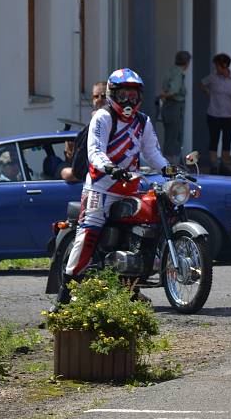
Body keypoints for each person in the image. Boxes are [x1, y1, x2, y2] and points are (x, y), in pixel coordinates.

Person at [51, 68, 171, 309]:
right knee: (88, 235)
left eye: (133, 95)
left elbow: (151, 153)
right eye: (124, 94)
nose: (129, 100)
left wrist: (169, 169)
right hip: (101, 188)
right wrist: (111, 168)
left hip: (131, 187)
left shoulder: (143, 121)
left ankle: (133, 282)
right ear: (112, 94)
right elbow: (95, 152)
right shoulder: (103, 117)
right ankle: (63, 299)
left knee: (149, 224)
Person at [201, 53, 231, 175]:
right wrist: (208, 93)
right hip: (213, 113)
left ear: (224, 66)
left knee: (227, 140)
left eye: (217, 66)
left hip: (229, 115)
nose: (216, 68)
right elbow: (202, 84)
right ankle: (214, 165)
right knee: (214, 140)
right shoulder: (213, 78)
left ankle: (224, 165)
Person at [59, 81, 108, 182]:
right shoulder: (92, 122)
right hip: (89, 174)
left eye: (103, 96)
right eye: (96, 96)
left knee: (55, 165)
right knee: (53, 162)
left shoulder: (111, 120)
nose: (99, 100)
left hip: (99, 175)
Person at [160, 50, 192, 163]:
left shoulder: (170, 70)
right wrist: (165, 95)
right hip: (175, 106)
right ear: (187, 62)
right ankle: (173, 164)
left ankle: (170, 162)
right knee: (175, 136)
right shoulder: (178, 73)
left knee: (170, 135)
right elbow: (174, 90)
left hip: (169, 106)